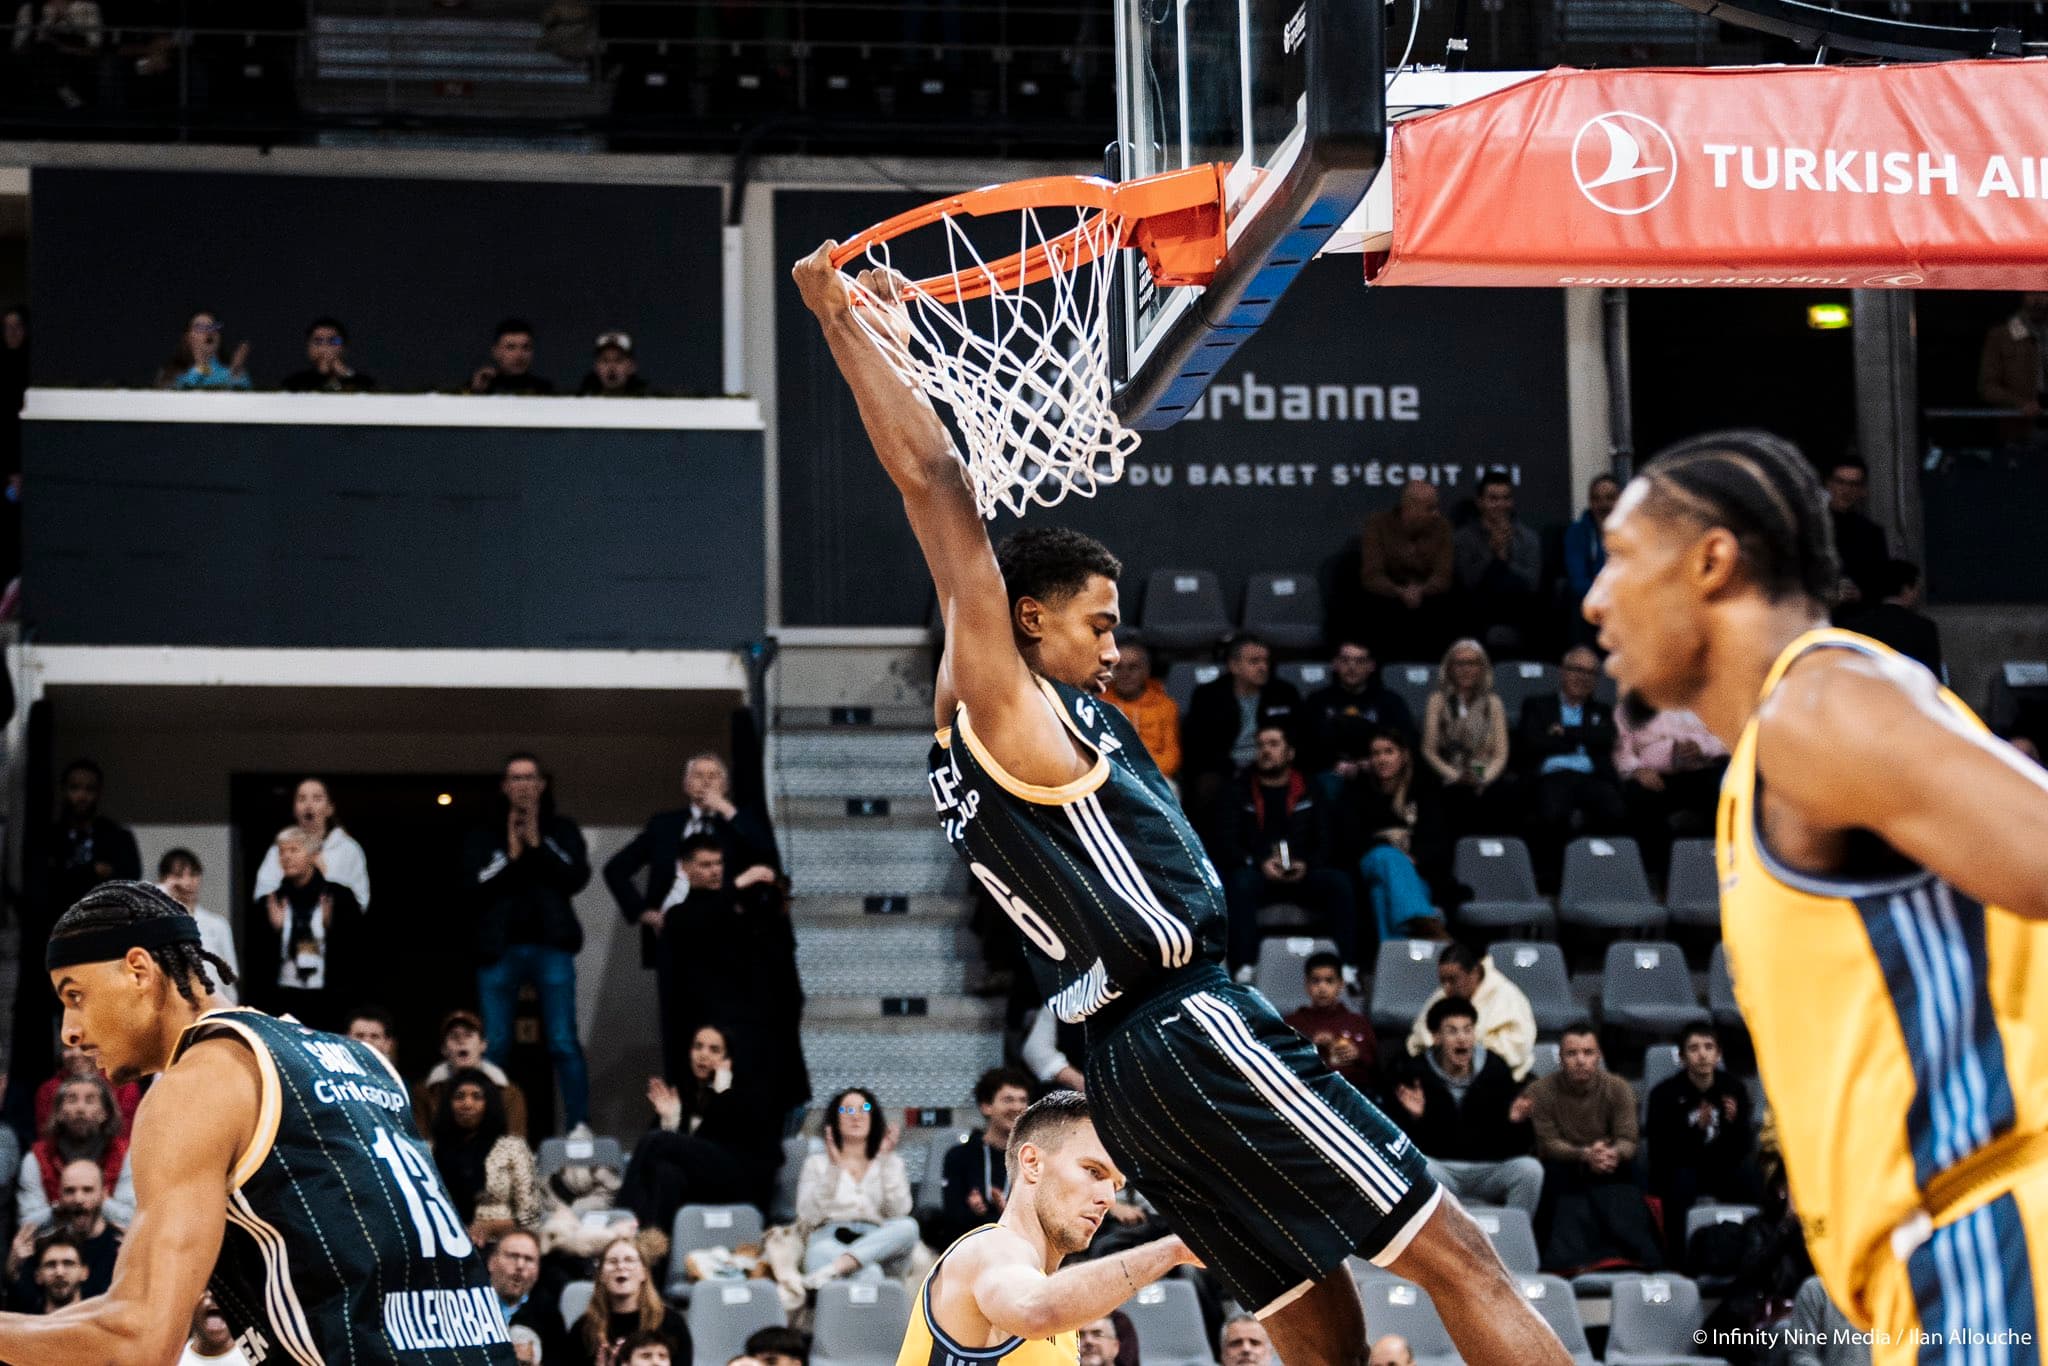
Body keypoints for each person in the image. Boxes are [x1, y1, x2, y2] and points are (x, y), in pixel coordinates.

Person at [795, 243, 1570, 1366]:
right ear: (1023, 621)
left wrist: (902, 353)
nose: (1116, 645)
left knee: (1321, 1321)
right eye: (1096, 623)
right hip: (1184, 1020)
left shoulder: (968, 718)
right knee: (1458, 1254)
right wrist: (843, 325)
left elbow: (944, 533)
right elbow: (936, 491)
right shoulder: (1013, 707)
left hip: (1125, 1075)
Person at [1585, 426, 2048, 1361]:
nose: (1595, 599)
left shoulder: (1819, 705)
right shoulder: (1779, 744)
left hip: (1991, 1237)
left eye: (1621, 557)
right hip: (1932, 1271)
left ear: (1712, 561)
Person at [0, 879, 513, 1362]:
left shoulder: (199, 1082)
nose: (69, 1031)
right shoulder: (357, 1058)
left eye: (75, 996)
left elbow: (139, 1341)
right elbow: (130, 1307)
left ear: (138, 970)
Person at [894, 1092, 1199, 1366]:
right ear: (1032, 1162)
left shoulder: (1059, 1309)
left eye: (1116, 1185)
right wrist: (1175, 1249)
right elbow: (1035, 1310)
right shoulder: (990, 1248)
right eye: (1093, 1171)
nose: (1107, 1198)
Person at [607, 821, 801, 1111]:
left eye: (719, 863)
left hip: (745, 1025)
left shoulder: (739, 910)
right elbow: (699, 919)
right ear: (685, 868)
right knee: (704, 1106)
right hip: (699, 1028)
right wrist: (739, 883)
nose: (715, 870)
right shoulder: (680, 916)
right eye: (706, 864)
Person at [465, 752, 592, 1130]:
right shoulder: (484, 833)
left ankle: (579, 1127)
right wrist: (511, 854)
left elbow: (575, 877)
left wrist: (537, 843)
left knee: (563, 1042)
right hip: (498, 950)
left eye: (529, 778)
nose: (522, 785)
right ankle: (493, 1129)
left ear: (541, 785)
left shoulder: (561, 829)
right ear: (504, 787)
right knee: (497, 1044)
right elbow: (472, 885)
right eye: (514, 778)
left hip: (551, 946)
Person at [1219, 724, 1360, 981]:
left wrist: (1307, 864)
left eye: (1273, 744)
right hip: (1259, 872)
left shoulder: (1309, 787)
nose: (1265, 751)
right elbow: (1227, 842)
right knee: (1238, 882)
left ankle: (1347, 966)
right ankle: (1244, 967)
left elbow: (1327, 840)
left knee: (1339, 882)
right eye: (1261, 745)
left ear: (1290, 753)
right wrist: (1258, 863)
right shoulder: (1239, 789)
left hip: (1302, 872)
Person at [617, 1025, 784, 1232]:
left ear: (729, 1059)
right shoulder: (684, 1094)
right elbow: (688, 1154)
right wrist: (671, 1121)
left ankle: (619, 1224)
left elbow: (717, 1145)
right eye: (698, 1047)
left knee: (656, 1140)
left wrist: (723, 1094)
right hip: (698, 1187)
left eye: (714, 1050)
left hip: (739, 1184)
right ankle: (654, 1254)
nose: (703, 1055)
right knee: (666, 1173)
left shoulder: (748, 1095)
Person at [1385, 998, 1541, 1216]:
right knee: (1420, 1169)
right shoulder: (1414, 1073)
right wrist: (1417, 1119)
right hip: (1441, 1168)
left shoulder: (1495, 1069)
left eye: (1468, 1030)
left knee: (1530, 1170)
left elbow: (1515, 1147)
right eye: (1452, 1031)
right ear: (1436, 1037)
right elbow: (1399, 1145)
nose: (1462, 1038)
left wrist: (1514, 1123)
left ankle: (1514, 1237)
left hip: (1488, 1168)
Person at [1523, 1024, 1660, 1274]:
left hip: (1609, 1160)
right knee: (1550, 1176)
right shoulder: (1539, 1091)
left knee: (1635, 1174)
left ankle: (1641, 1257)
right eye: (1572, 1054)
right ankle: (1560, 1263)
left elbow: (1628, 1139)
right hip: (1565, 1162)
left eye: (1588, 1053)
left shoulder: (1619, 1088)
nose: (1581, 1061)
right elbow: (1547, 1142)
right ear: (1560, 1057)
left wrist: (1612, 1153)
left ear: (1599, 1056)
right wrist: (1585, 1154)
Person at [1516, 646, 1625, 890]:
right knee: (1553, 811)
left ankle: (1596, 878)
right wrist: (1583, 738)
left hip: (1590, 777)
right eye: (1576, 669)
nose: (1582, 676)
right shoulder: (1537, 705)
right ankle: (1552, 882)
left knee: (1613, 807)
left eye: (1590, 672)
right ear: (1563, 672)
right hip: (1552, 776)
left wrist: (1563, 732)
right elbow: (1533, 741)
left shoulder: (1602, 710)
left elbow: (1605, 739)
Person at [1645, 1023, 1757, 1261]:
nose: (1702, 1054)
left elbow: (1744, 1146)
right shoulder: (1664, 1094)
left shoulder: (1733, 1088)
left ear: (1718, 1054)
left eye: (1709, 1047)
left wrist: (1732, 1123)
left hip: (1722, 1165)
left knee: (1751, 1176)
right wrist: (1696, 1131)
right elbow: (1660, 1151)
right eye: (1694, 1048)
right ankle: (1678, 1259)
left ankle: (1752, 1252)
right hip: (1682, 1167)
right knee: (1678, 1183)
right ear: (1682, 1057)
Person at [796, 1086, 918, 1289]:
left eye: (864, 1108)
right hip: (829, 1240)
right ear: (834, 1120)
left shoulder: (890, 1161)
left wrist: (885, 1160)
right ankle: (849, 1265)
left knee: (909, 1226)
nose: (857, 1116)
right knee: (870, 1273)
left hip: (878, 1243)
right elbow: (807, 1216)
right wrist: (833, 1170)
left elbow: (899, 1211)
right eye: (847, 1110)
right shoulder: (817, 1163)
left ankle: (840, 1266)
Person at [251, 826, 364, 1030]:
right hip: (284, 998)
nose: (286, 857)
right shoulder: (270, 901)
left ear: (313, 855)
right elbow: (257, 960)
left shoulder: (339, 897)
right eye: (282, 851)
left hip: (331, 1000)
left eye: (294, 850)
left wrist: (331, 927)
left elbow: (356, 950)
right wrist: (275, 931)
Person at [1180, 634, 1301, 821]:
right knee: (1206, 786)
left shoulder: (1284, 693)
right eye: (1254, 661)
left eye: (1265, 661)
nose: (1263, 667)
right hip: (1226, 767)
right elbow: (1198, 746)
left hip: (1273, 764)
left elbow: (1298, 736)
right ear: (1233, 666)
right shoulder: (1208, 696)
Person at [1350, 728, 1449, 946]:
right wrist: (1389, 844)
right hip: (1370, 863)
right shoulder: (1359, 790)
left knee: (1382, 893)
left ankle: (1394, 966)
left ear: (1403, 755)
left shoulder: (1422, 791)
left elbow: (1437, 840)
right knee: (1388, 856)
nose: (1381, 759)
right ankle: (1427, 925)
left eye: (1388, 752)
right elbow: (1352, 838)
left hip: (1412, 870)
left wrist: (1415, 858)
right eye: (1376, 754)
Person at [1613, 705, 1728, 887]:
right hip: (1655, 776)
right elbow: (1620, 750)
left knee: (1727, 792)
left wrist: (1702, 747)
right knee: (1640, 797)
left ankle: (1722, 879)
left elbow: (1726, 739)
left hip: (1699, 770)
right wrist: (1637, 769)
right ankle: (1660, 883)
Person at [431, 1069, 542, 1247]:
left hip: (500, 1247)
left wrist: (491, 1227)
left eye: (477, 1097)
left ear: (490, 1103)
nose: (467, 1104)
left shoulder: (512, 1148)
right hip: (443, 1245)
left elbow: (531, 1217)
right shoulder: (430, 1151)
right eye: (459, 1097)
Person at [1404, 942, 1537, 1081]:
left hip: (1497, 1082)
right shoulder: (1443, 994)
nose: (1446, 987)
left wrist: (1464, 1047)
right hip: (1441, 1080)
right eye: (1442, 981)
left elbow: (1516, 1050)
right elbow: (1419, 1037)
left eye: (1452, 980)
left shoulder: (1508, 996)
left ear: (1474, 973)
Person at [1420, 639, 1511, 840]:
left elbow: (1500, 754)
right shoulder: (1438, 701)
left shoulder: (1493, 703)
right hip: (1449, 769)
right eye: (1459, 663)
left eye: (1472, 663)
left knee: (1499, 797)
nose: (1466, 669)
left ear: (1482, 668)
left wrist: (1483, 778)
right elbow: (1429, 750)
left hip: (1482, 769)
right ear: (1450, 667)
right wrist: (1455, 775)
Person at [18, 1076, 135, 1231]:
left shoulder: (124, 1154)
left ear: (105, 1113)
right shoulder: (37, 1158)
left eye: (90, 1100)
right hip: (52, 1248)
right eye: (72, 1100)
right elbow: (26, 1223)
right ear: (59, 1112)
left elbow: (132, 1218)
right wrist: (60, 1206)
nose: (80, 1108)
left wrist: (97, 1200)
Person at [934, 1067, 1033, 1249]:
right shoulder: (959, 1156)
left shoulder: (1032, 1158)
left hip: (1022, 1251)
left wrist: (1002, 1214)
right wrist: (987, 1215)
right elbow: (953, 1217)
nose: (1017, 1107)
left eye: (1023, 1100)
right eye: (1008, 1100)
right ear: (986, 1106)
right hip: (971, 1251)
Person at [1358, 480, 1455, 663]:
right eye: (1430, 508)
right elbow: (1372, 575)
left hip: (1430, 600)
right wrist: (1400, 591)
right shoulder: (1377, 524)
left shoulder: (1443, 527)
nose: (1436, 514)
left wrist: (1420, 590)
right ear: (1409, 508)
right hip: (1387, 600)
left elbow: (1443, 576)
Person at [1453, 470, 1543, 656]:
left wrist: (1503, 559)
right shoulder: (1463, 538)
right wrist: (1492, 553)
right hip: (1477, 614)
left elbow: (1531, 583)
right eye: (1493, 499)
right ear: (1480, 502)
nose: (1500, 505)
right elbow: (1469, 581)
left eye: (1506, 498)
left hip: (1519, 612)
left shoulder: (1528, 538)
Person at [250, 776, 372, 911]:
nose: (308, 805)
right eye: (302, 799)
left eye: (317, 799)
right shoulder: (278, 850)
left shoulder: (348, 849)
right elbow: (263, 895)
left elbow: (361, 900)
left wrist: (322, 878)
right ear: (294, 809)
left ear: (330, 808)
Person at [1298, 640, 1414, 782]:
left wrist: (1373, 761)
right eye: (1345, 660)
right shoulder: (1317, 700)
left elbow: (1405, 741)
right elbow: (1305, 744)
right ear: (1335, 664)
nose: (1352, 667)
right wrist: (1332, 764)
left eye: (1360, 661)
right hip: (1328, 772)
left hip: (1377, 773)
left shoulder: (1390, 701)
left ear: (1371, 666)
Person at [7, 1158, 121, 1299]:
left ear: (103, 1194)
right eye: (69, 1191)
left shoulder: (120, 1248)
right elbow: (26, 1305)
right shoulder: (43, 1248)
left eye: (87, 1190)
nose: (78, 1199)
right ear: (59, 1196)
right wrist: (13, 1270)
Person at [414, 1009, 533, 1142]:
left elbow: (515, 1145)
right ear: (444, 1049)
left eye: (468, 1035)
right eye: (454, 1036)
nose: (461, 1041)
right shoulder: (425, 1092)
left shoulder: (509, 1093)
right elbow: (419, 1144)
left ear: (483, 1045)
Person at [568, 1236, 685, 1366]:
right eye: (612, 1261)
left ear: (644, 1273)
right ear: (601, 1275)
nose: (621, 1266)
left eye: (629, 1260)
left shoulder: (671, 1323)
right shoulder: (584, 1328)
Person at [1282, 952, 1377, 1094]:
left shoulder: (1358, 1023)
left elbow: (1377, 1070)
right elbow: (1281, 1065)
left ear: (1341, 984)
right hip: (1306, 1095)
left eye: (1329, 981)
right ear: (1307, 985)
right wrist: (1310, 1046)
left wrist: (1358, 1055)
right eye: (1315, 981)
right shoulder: (1293, 1023)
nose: (1322, 988)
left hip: (1353, 1096)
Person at [156, 849, 238, 1004]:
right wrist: (163, 890)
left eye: (193, 875)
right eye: (179, 876)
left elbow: (230, 977)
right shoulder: (159, 923)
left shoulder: (217, 924)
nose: (187, 882)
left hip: (214, 1005)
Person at [1844, 559, 1941, 678]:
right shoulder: (1923, 627)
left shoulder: (1854, 626)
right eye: (1916, 588)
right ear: (1906, 589)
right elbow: (1933, 678)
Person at [1102, 637, 1181, 781]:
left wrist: (1142, 770)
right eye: (1119, 667)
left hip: (1154, 775)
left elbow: (1171, 757)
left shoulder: (1165, 705)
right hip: (1112, 776)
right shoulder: (1099, 703)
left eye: (1133, 667)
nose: (1125, 674)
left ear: (1146, 670)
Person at [1978, 291, 2048, 448]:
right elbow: (1987, 386)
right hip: (2018, 429)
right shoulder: (2001, 336)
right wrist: (2021, 404)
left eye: (2044, 293)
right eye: (2032, 293)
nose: (2038, 300)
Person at [1821, 454, 1888, 612]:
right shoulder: (1809, 528)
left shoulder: (1872, 533)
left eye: (1854, 484)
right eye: (1840, 482)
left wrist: (1860, 594)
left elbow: (1882, 583)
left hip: (1859, 619)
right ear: (1829, 484)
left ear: (1863, 490)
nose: (1846, 490)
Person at [486, 1230, 565, 1362]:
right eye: (513, 1256)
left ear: (538, 1270)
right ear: (492, 1262)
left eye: (528, 1259)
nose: (520, 1265)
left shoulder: (549, 1314)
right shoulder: (467, 1304)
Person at [1561, 474, 1620, 644]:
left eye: (1610, 498)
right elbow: (1578, 582)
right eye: (1597, 499)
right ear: (1590, 502)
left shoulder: (1633, 533)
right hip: (1591, 607)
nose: (1604, 505)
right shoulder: (1577, 532)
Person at [155, 311, 250, 391]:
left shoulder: (232, 373)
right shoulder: (169, 372)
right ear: (188, 337)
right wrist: (200, 368)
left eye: (212, 327)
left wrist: (236, 373)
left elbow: (246, 399)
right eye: (200, 327)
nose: (209, 332)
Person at [279, 316, 375, 393]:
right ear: (309, 348)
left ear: (344, 348)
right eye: (318, 341)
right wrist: (321, 374)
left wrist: (346, 374)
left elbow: (369, 392)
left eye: (334, 341)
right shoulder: (294, 382)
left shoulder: (364, 381)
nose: (326, 346)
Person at [469, 319, 556, 396]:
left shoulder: (545, 391)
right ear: (495, 352)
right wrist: (476, 393)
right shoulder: (479, 386)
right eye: (510, 347)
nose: (519, 355)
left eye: (526, 347)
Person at [21, 1232, 85, 1314]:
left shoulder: (102, 1323)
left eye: (68, 1263)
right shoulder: (25, 1324)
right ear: (38, 1276)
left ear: (84, 1272)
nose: (59, 1273)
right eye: (50, 1265)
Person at [178, 1291, 247, 1364]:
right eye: (205, 1288)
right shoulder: (172, 1360)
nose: (212, 1294)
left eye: (218, 1288)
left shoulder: (256, 1358)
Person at [576, 332, 648, 397]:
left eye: (618, 360)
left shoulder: (649, 402)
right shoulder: (577, 404)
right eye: (605, 360)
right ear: (596, 367)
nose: (611, 367)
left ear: (632, 367)